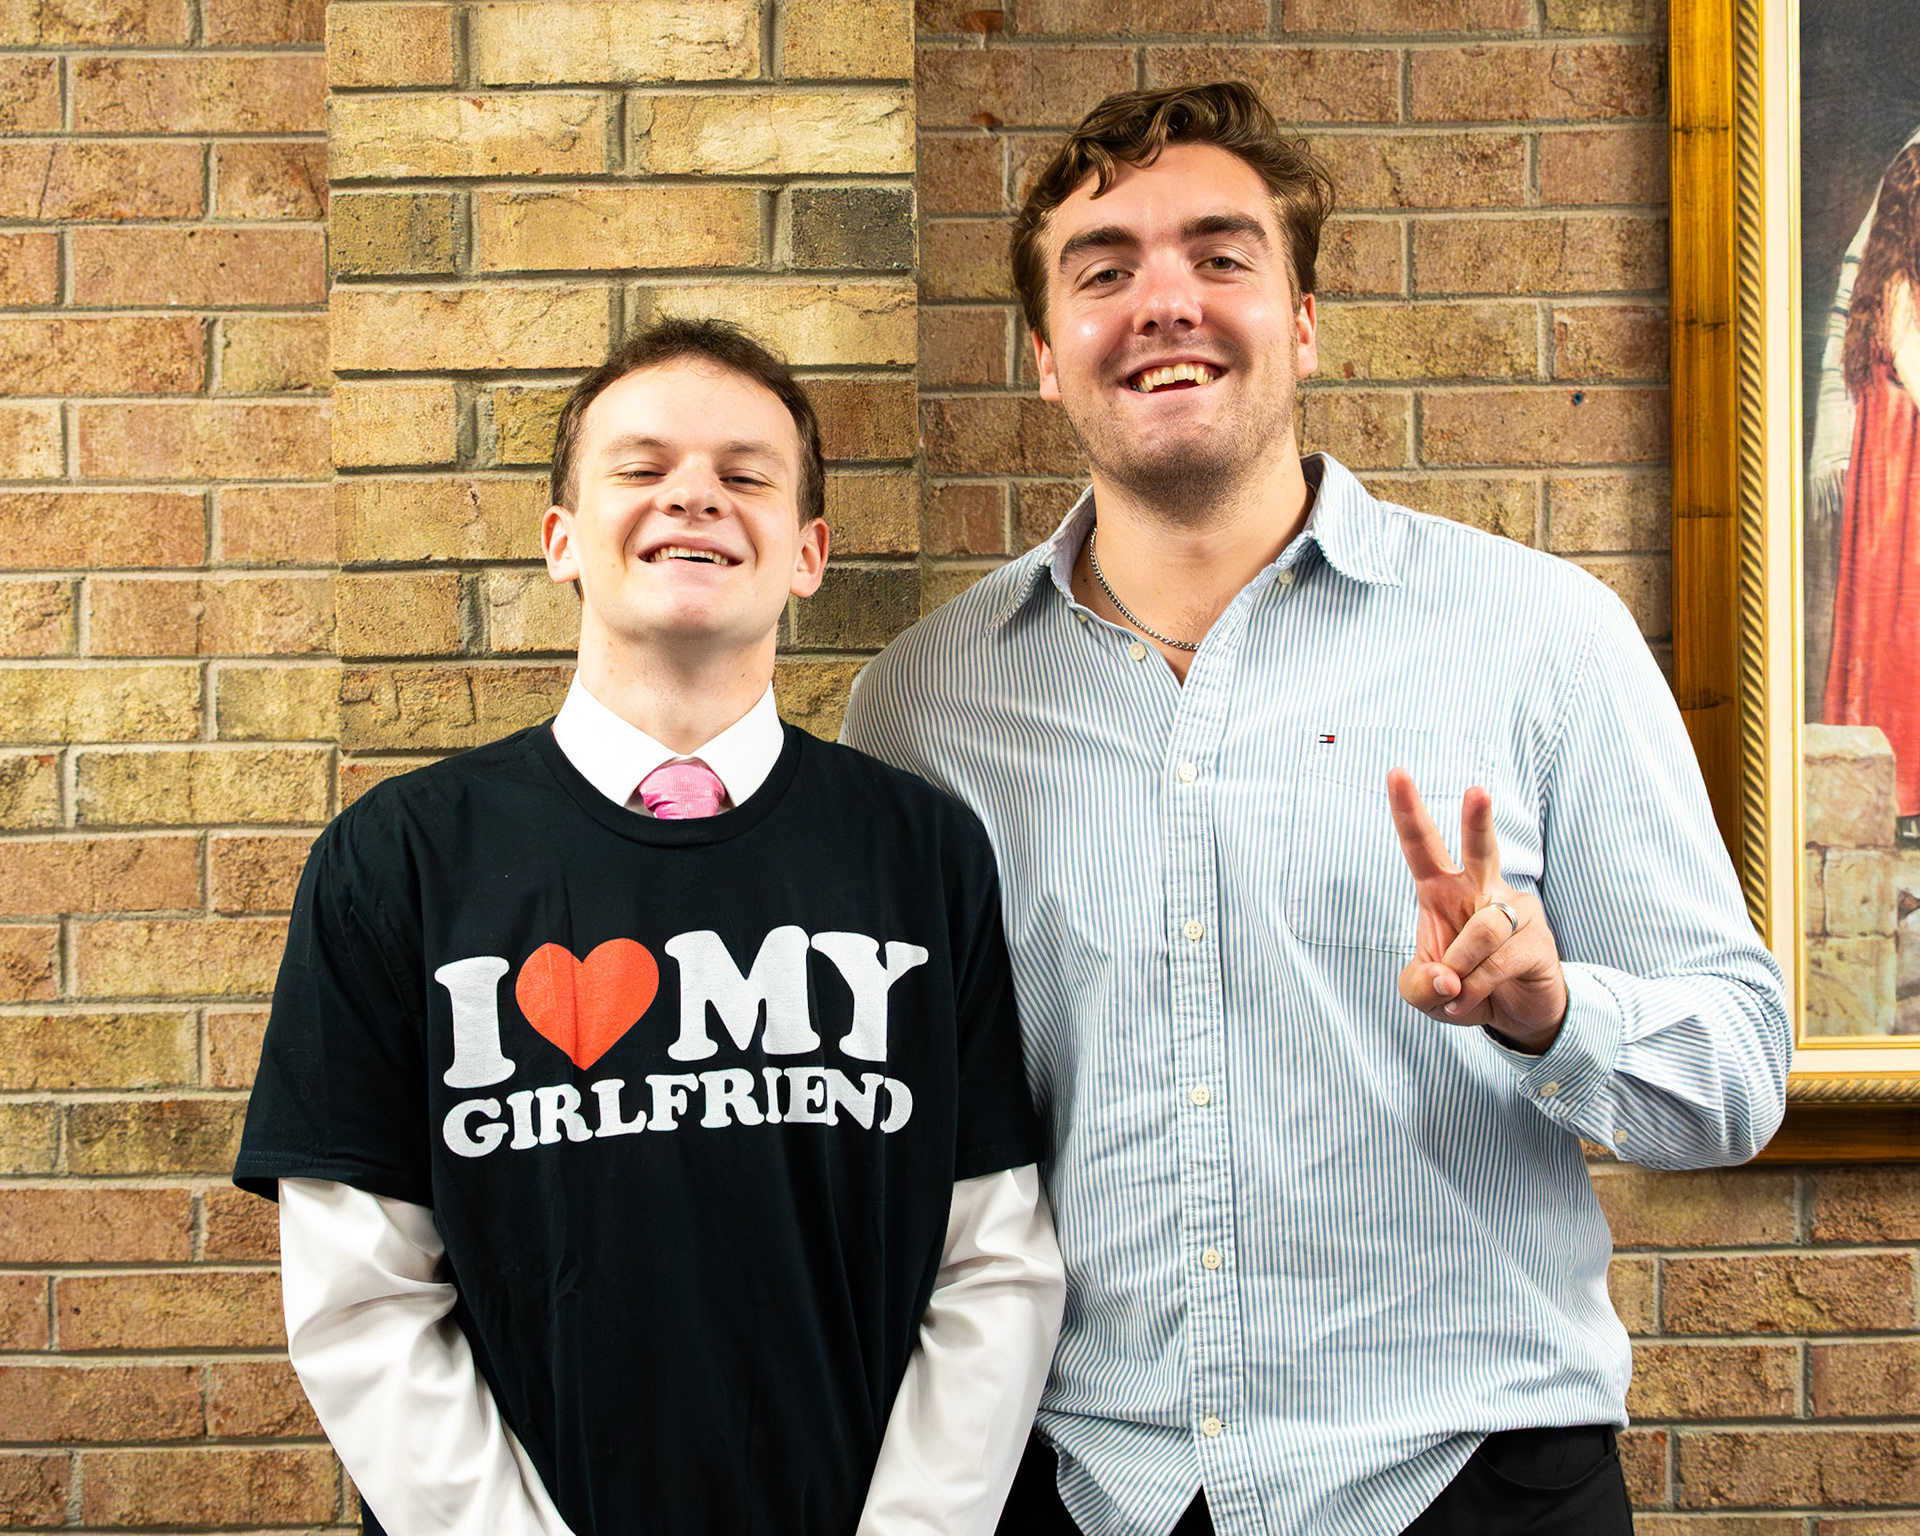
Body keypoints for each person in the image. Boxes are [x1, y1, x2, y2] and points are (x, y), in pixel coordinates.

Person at [843, 82, 1790, 1536]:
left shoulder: (1540, 636)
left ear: (1302, 322)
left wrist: (1553, 1016)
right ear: (1043, 354)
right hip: (1092, 1486)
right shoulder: (922, 707)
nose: (1165, 302)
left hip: (1472, 1482)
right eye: (1104, 271)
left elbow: (1737, 1075)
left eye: (1221, 257)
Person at [234, 318, 1065, 1536]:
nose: (694, 496)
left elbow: (993, 1260)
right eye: (642, 467)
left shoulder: (921, 852)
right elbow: (363, 1297)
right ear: (561, 540)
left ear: (808, 554)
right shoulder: (398, 859)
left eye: (746, 475)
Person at [1821, 140, 1920, 834]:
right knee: (1898, 625)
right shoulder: (1898, 286)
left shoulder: (1889, 282)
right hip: (1900, 484)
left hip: (1892, 476)